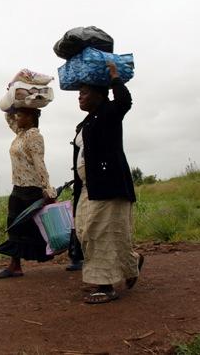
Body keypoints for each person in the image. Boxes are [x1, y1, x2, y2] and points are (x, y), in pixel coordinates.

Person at [71, 62, 144, 303]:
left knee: (97, 232)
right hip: (88, 187)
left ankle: (105, 285)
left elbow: (124, 101)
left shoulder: (110, 112)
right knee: (84, 230)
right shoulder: (87, 123)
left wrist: (114, 77)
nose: (80, 96)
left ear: (100, 95)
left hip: (108, 184)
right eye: (79, 92)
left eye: (85, 92)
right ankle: (131, 263)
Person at [0, 107, 57, 278]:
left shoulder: (34, 136)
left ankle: (78, 253)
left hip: (32, 189)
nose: (16, 117)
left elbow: (39, 163)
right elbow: (8, 116)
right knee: (15, 226)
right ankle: (15, 266)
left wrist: (47, 189)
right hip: (18, 187)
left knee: (44, 228)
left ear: (30, 117)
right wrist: (13, 99)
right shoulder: (21, 133)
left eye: (20, 115)